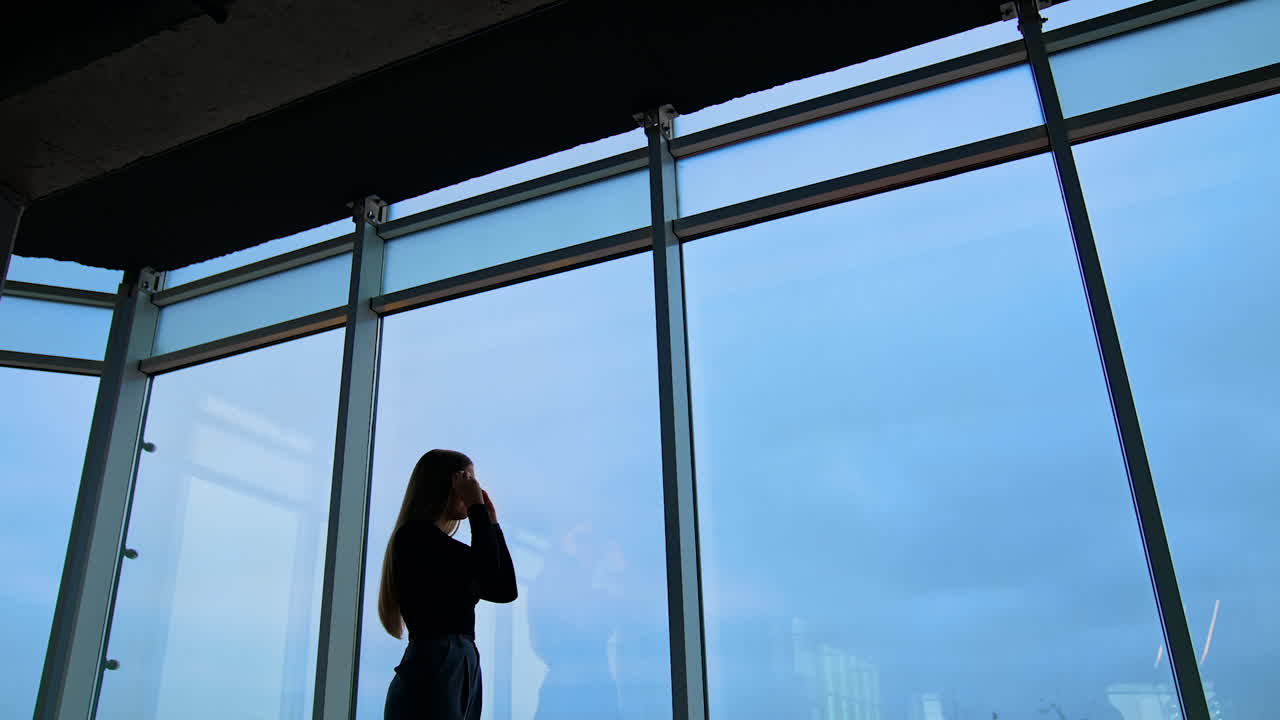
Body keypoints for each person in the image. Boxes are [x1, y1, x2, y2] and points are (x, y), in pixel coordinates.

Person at [377, 449, 518, 720]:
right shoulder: (415, 538)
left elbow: (503, 589)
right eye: (467, 481)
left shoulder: (447, 551)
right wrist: (477, 510)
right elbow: (486, 566)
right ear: (446, 485)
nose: (473, 489)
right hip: (437, 661)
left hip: (460, 662)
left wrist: (492, 524)